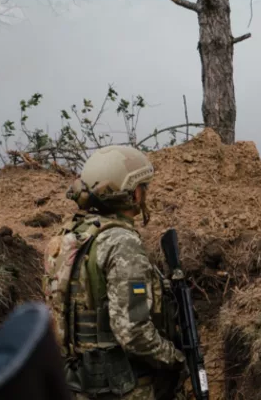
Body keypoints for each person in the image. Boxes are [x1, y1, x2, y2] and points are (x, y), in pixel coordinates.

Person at [44, 145, 187, 399]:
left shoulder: (70, 236)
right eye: (144, 187)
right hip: (121, 387)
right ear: (134, 194)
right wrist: (174, 358)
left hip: (77, 384)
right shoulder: (121, 244)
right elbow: (133, 333)